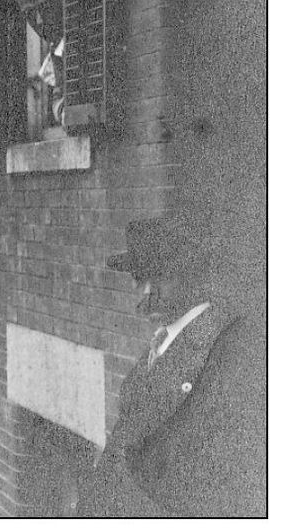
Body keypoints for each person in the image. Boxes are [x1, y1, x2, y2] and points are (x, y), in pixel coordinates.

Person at [76, 215, 265, 517]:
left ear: (194, 275)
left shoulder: (225, 346)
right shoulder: (165, 338)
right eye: (139, 276)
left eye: (160, 275)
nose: (145, 290)